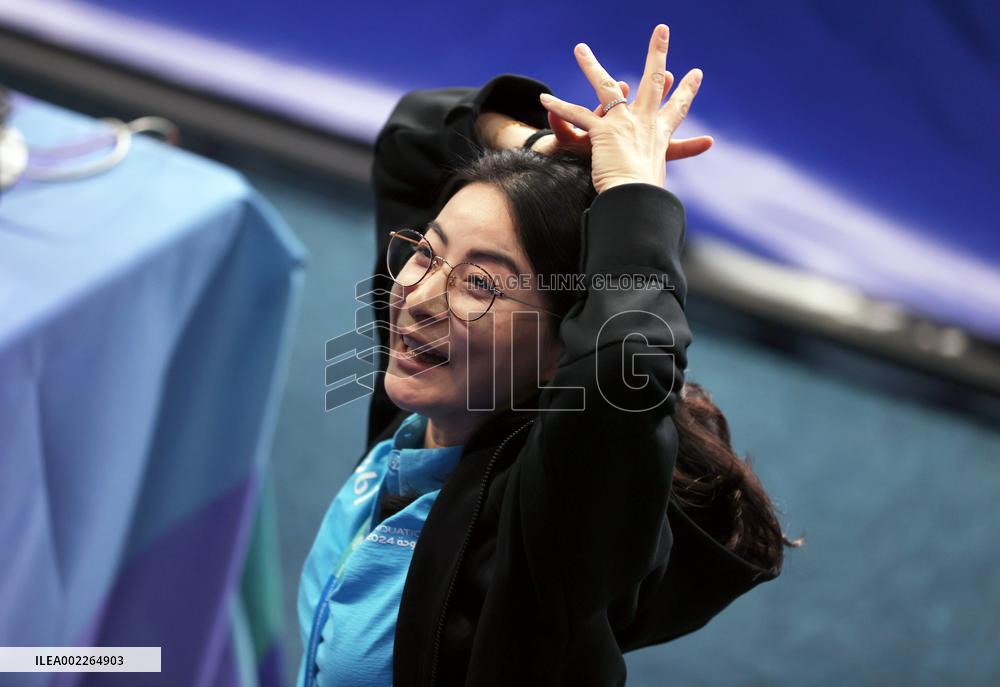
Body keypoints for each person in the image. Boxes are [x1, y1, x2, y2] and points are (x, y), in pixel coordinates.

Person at [299, 24, 802, 687]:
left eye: (479, 284)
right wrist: (540, 149)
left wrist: (631, 186)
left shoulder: (544, 538)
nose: (418, 297)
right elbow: (414, 135)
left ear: (558, 351)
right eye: (426, 250)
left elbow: (627, 356)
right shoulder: (420, 417)